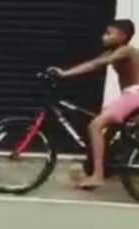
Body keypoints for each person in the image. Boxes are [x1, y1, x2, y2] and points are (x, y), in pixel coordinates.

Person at [50, 19, 139, 190]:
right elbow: (90, 64)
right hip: (130, 96)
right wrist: (64, 73)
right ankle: (104, 168)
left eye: (108, 33)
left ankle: (97, 176)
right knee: (107, 132)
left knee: (95, 126)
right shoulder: (113, 52)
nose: (103, 37)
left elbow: (96, 64)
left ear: (122, 36)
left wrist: (64, 75)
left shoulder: (126, 51)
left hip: (135, 94)